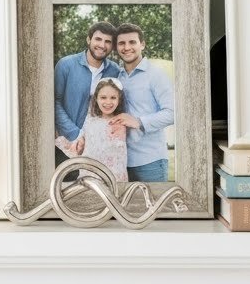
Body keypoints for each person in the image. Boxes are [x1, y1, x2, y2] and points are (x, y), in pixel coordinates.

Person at [111, 23, 175, 183]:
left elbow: (174, 113)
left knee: (155, 207)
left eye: (132, 42)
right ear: (116, 47)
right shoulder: (117, 77)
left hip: (150, 161)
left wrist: (139, 121)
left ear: (142, 44)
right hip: (122, 161)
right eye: (121, 43)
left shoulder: (155, 75)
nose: (127, 47)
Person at [54, 21, 121, 165]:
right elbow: (54, 102)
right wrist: (75, 134)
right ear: (88, 39)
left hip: (98, 145)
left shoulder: (115, 70)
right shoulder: (65, 65)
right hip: (65, 142)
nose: (102, 45)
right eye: (98, 39)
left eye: (108, 41)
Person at [57, 77, 128, 181]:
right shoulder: (90, 122)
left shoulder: (122, 121)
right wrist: (78, 142)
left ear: (119, 100)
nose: (108, 102)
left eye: (113, 98)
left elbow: (120, 155)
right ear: (96, 99)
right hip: (91, 177)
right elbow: (82, 145)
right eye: (103, 97)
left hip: (116, 178)